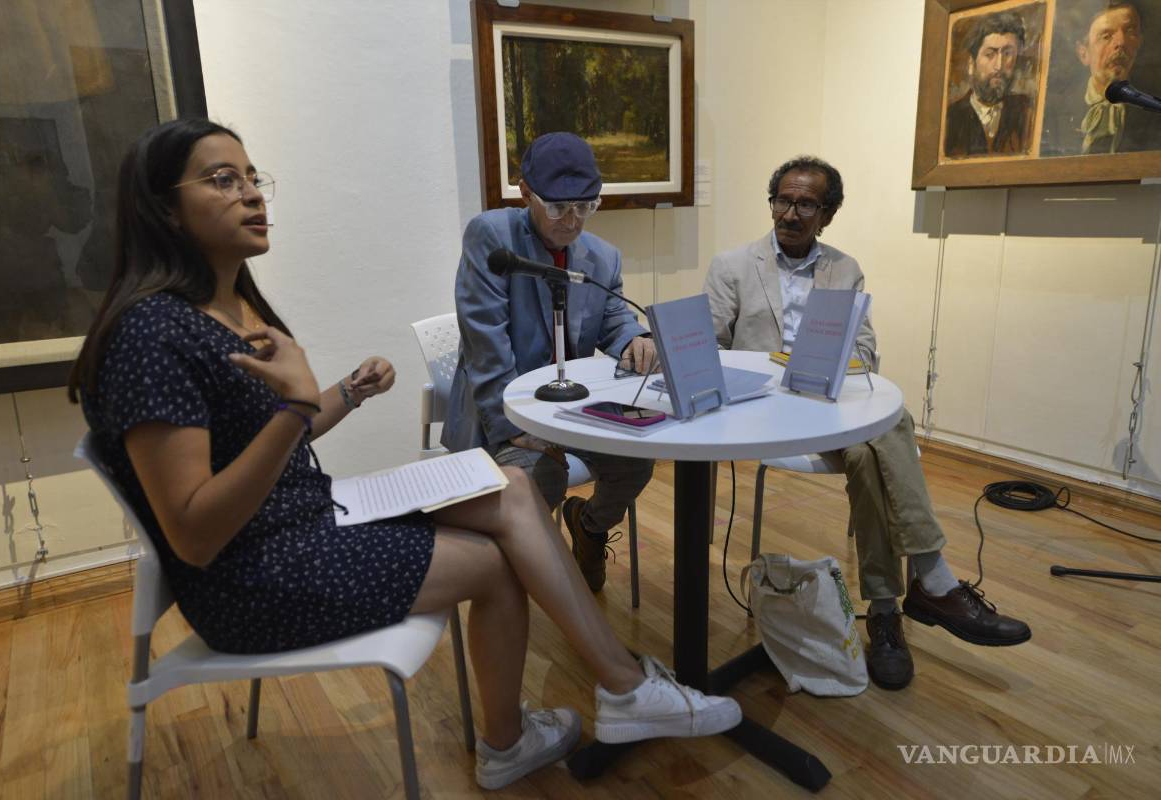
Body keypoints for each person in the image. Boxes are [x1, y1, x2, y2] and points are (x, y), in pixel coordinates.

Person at [68, 119, 740, 791]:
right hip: (254, 574)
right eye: (223, 180)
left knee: (509, 486)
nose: (251, 194)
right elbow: (194, 534)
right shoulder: (150, 335)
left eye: (253, 177)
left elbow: (266, 441)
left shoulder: (232, 307)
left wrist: (342, 395)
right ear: (164, 208)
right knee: (500, 553)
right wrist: (297, 409)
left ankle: (613, 692)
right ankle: (549, 722)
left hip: (307, 517)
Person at [703, 155, 1031, 691]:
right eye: (782, 200)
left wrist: (829, 365)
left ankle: (884, 612)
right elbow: (714, 349)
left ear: (827, 214)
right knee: (892, 422)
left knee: (867, 447)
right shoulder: (732, 265)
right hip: (764, 410)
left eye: (806, 203)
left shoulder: (844, 268)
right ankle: (931, 582)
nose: (790, 212)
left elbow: (865, 350)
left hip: (827, 399)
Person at [444, 132, 656, 593]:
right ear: (526, 193)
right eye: (558, 207)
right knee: (540, 473)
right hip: (506, 410)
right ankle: (519, 587)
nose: (572, 220)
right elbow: (485, 341)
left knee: (637, 460)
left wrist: (633, 338)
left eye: (586, 206)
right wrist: (513, 425)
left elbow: (613, 316)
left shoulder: (602, 256)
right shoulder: (492, 236)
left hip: (573, 406)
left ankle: (590, 528)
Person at [1041, 1, 1161, 154]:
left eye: (1130, 32)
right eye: (1106, 36)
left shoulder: (1153, 109)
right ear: (1084, 53)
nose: (1121, 43)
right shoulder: (1055, 111)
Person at [943, 12, 1034, 158]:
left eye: (1007, 54)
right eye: (990, 54)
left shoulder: (1027, 111)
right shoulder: (950, 119)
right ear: (971, 64)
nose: (999, 66)